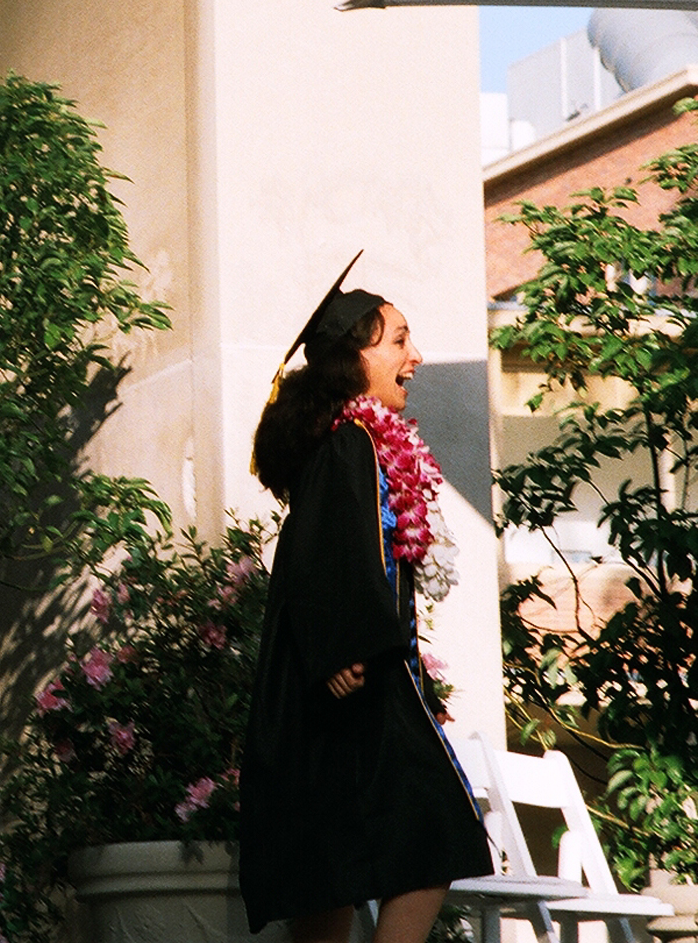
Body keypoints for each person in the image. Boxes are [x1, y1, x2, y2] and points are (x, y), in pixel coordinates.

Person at [240, 254, 493, 943]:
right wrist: (343, 644)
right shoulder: (350, 443)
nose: (416, 357)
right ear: (353, 357)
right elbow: (316, 553)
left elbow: (317, 551)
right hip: (354, 680)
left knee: (332, 869)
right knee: (430, 832)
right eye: (399, 340)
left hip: (341, 686)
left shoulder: (352, 445)